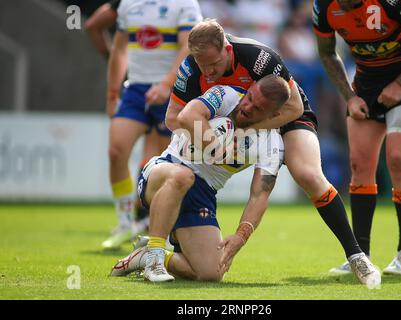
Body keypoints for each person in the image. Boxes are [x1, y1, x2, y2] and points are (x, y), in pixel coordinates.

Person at [159, 19, 381, 286]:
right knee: (186, 169)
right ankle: (175, 247)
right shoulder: (191, 69)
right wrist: (211, 140)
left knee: (307, 174)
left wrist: (244, 130)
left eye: (214, 65)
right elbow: (173, 119)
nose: (208, 73)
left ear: (227, 49)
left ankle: (357, 255)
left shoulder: (258, 57)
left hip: (283, 115)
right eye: (202, 66)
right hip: (237, 119)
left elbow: (294, 108)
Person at [111, 75, 288, 282]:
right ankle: (155, 257)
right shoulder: (226, 94)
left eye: (258, 108)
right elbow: (186, 116)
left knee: (211, 273)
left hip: (202, 193)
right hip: (166, 169)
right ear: (250, 88)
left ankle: (143, 256)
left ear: (275, 114)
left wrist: (241, 235)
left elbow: (260, 195)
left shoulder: (272, 144)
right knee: (183, 176)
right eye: (250, 98)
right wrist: (218, 151)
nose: (247, 107)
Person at [313, 0, 401, 275]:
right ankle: (360, 257)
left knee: (397, 159)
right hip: (366, 85)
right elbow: (326, 53)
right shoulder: (323, 5)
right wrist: (349, 97)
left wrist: (399, 84)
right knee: (360, 165)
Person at [101, 0, 203, 249]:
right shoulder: (128, 4)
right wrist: (113, 92)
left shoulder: (185, 4)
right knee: (116, 151)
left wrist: (167, 84)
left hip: (173, 91)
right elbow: (120, 48)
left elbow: (187, 48)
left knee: (164, 163)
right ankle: (126, 224)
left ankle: (161, 230)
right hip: (135, 89)